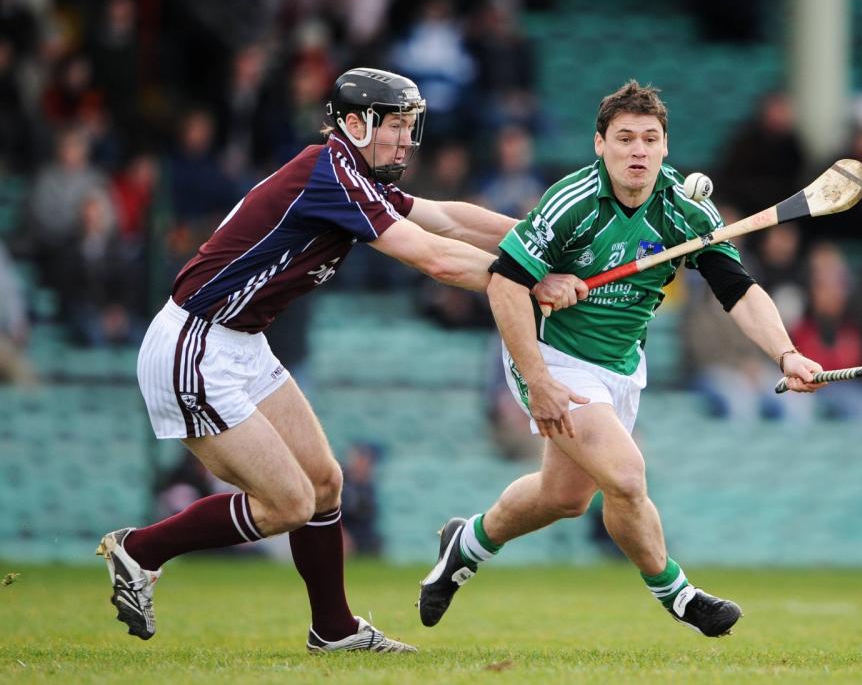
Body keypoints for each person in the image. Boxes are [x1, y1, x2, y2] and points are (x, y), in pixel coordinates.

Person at [96, 67, 582, 654]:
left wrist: (541, 241)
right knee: (289, 503)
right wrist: (530, 280)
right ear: (354, 124)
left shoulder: (355, 174)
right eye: (394, 126)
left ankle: (333, 628)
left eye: (410, 126)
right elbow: (433, 257)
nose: (406, 140)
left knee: (325, 482)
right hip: (195, 347)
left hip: (242, 342)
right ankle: (140, 550)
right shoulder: (331, 174)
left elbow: (450, 218)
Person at [417, 81, 826, 638]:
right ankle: (680, 595)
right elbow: (504, 285)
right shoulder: (571, 202)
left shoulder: (686, 210)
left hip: (621, 366)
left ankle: (463, 546)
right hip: (553, 357)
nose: (638, 150)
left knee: (563, 497)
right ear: (600, 144)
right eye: (625, 138)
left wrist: (786, 353)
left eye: (650, 139)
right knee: (628, 477)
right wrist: (538, 379)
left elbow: (738, 290)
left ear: (665, 146)